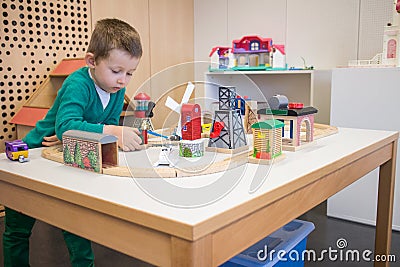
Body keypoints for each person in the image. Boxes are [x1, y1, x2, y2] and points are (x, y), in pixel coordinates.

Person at [3, 18, 143, 267]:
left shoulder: (116, 89)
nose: (123, 80)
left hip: (66, 157)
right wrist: (88, 129)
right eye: (116, 71)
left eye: (130, 73)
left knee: (75, 224)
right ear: (92, 61)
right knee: (18, 229)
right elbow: (69, 126)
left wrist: (81, 130)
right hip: (35, 155)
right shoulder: (77, 84)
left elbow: (91, 128)